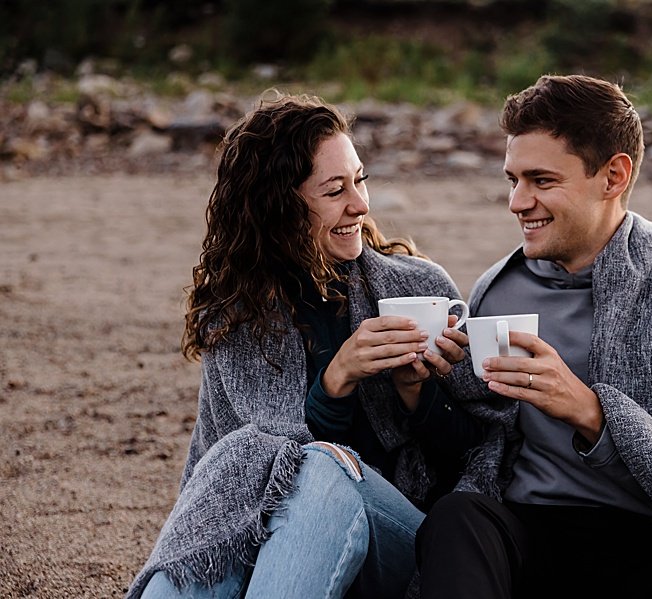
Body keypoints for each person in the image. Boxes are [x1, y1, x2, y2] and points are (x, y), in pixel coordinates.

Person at [412, 74, 652, 599]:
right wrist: (425, 385)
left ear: (613, 176)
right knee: (459, 516)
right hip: (534, 535)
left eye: (541, 180)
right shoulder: (496, 289)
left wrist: (590, 412)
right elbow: (483, 439)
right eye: (512, 180)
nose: (517, 201)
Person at [127, 93, 496, 598]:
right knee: (214, 532)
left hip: (405, 544)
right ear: (281, 206)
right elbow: (237, 478)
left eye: (360, 180)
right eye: (334, 190)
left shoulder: (419, 287)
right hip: (284, 546)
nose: (360, 205)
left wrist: (418, 393)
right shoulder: (239, 315)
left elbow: (477, 455)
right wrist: (336, 380)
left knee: (320, 467)